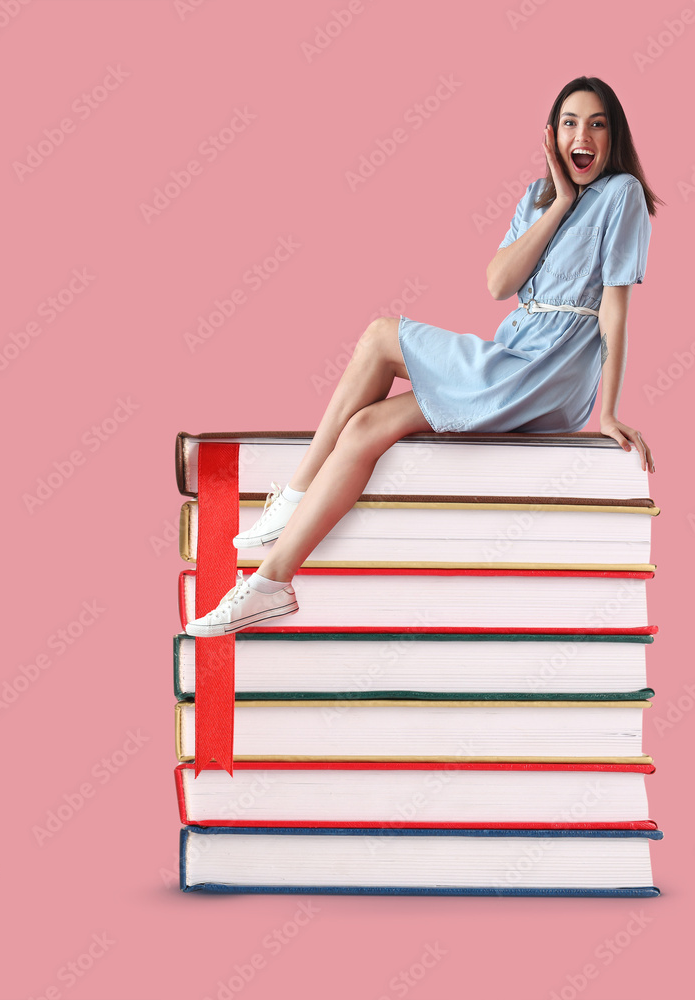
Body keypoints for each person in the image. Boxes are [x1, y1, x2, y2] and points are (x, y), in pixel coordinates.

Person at [185, 75, 662, 638]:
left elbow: (615, 309)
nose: (582, 135)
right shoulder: (539, 197)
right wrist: (559, 204)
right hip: (512, 353)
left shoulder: (623, 194)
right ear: (552, 135)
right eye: (569, 123)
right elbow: (496, 283)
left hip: (550, 370)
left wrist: (607, 412)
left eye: (597, 124)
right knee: (366, 426)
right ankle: (272, 583)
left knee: (381, 336)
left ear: (614, 136)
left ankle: (294, 494)